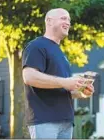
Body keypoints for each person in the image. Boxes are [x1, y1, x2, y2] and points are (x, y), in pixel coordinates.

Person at [22, 8, 94, 139]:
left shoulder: (60, 53)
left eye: (69, 20)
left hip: (66, 121)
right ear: (49, 21)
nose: (68, 22)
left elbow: (62, 89)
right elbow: (29, 76)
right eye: (63, 18)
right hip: (45, 120)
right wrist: (65, 82)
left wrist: (81, 91)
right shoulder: (36, 46)